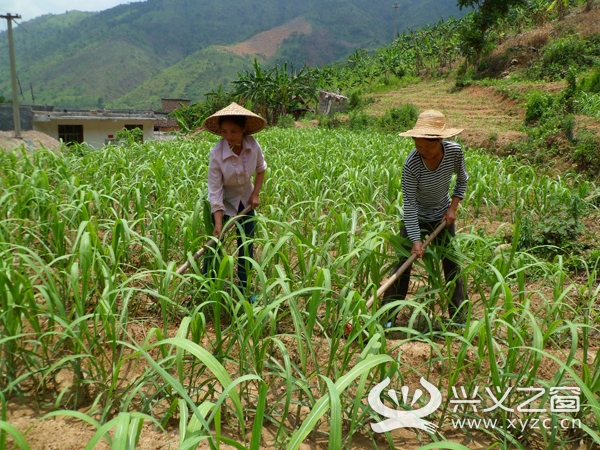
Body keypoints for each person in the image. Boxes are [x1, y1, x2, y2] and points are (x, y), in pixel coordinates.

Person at [383, 109, 469, 326]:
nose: (423, 151)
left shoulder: (454, 152)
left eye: (428, 147)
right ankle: (387, 318)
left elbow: (462, 180)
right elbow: (409, 204)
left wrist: (453, 207)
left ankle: (459, 319)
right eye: (418, 145)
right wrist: (415, 240)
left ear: (440, 139)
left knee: (452, 264)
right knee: (402, 265)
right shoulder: (411, 164)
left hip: (442, 215)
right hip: (416, 216)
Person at [202, 102, 267, 297]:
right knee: (215, 244)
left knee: (246, 245)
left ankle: (244, 289)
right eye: (224, 132)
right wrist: (219, 221)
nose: (229, 136)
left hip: (246, 202)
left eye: (234, 131)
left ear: (243, 130)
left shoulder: (253, 145)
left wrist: (255, 194)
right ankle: (208, 286)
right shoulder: (216, 154)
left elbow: (261, 170)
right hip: (223, 202)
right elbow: (215, 189)